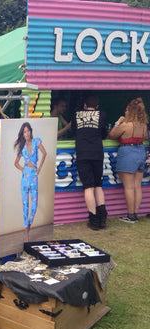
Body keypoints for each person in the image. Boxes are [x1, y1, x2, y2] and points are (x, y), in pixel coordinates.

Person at [71, 93, 108, 230]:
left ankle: (93, 220)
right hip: (98, 153)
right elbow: (104, 133)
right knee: (98, 185)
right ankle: (102, 218)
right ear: (97, 106)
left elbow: (74, 131)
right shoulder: (102, 115)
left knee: (88, 187)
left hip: (83, 153)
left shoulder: (76, 114)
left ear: (84, 105)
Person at [108, 98, 149, 223]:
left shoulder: (126, 125)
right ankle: (136, 213)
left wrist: (117, 122)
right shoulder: (143, 126)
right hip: (141, 152)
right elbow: (146, 136)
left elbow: (112, 135)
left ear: (130, 111)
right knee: (137, 186)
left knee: (129, 187)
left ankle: (130, 215)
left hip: (128, 152)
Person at [14, 122, 47, 242]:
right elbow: (16, 163)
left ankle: (28, 226)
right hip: (25, 176)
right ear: (22, 134)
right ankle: (26, 232)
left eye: (28, 131)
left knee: (34, 204)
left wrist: (39, 168)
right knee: (25, 205)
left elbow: (44, 153)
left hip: (33, 174)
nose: (26, 134)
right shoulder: (22, 148)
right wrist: (23, 169)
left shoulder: (36, 141)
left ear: (31, 132)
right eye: (24, 132)